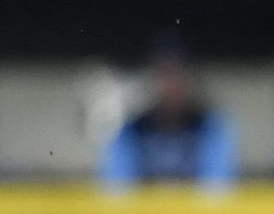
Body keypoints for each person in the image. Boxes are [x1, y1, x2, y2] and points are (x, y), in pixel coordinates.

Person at [100, 36, 238, 188]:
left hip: (193, 211)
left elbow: (218, 186)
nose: (170, 84)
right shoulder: (132, 129)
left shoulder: (209, 127)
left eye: (177, 73)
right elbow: (116, 188)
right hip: (145, 210)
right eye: (163, 73)